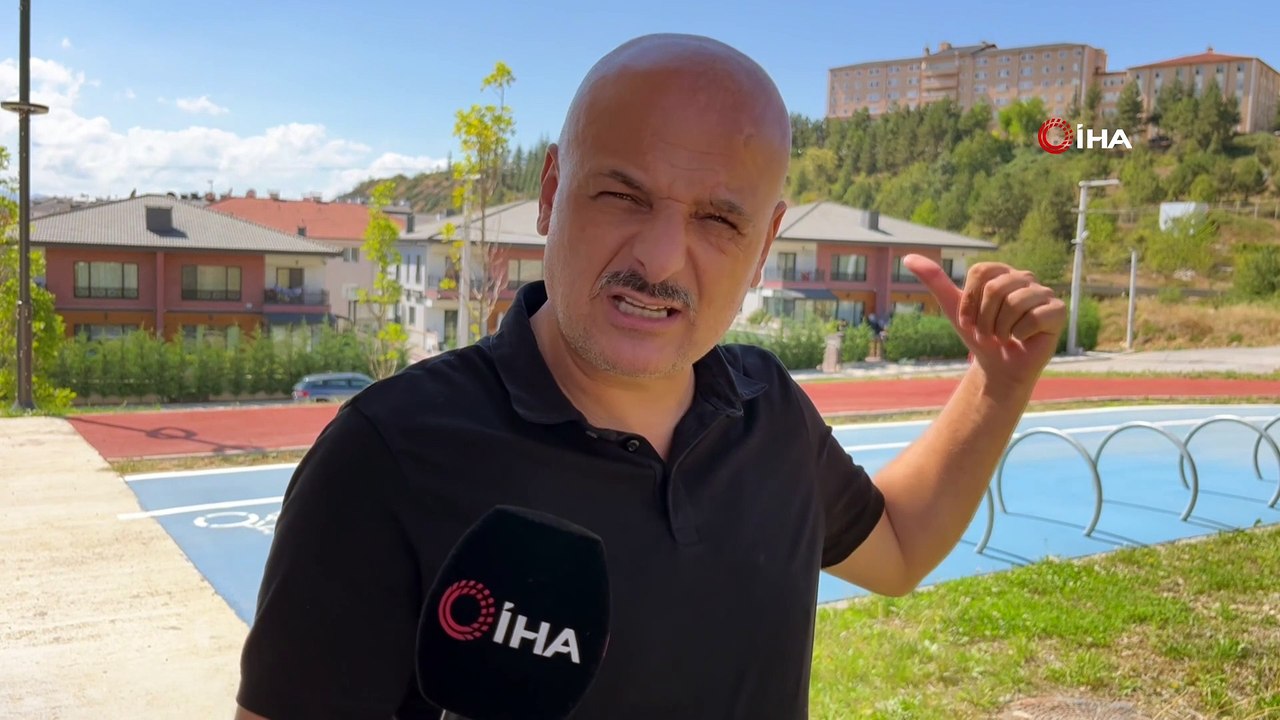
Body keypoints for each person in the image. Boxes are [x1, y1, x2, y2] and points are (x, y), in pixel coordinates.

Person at [234, 33, 1065, 720]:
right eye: (624, 197)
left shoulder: (771, 413)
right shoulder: (390, 454)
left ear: (764, 244)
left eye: (718, 219)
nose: (661, 259)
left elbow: (900, 551)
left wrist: (999, 384)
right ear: (552, 192)